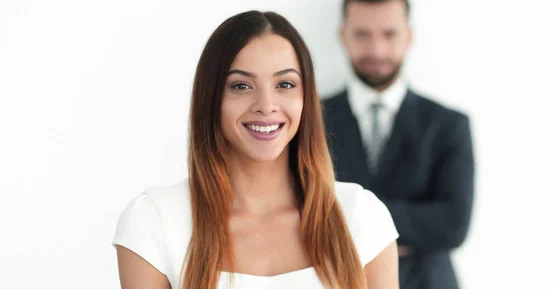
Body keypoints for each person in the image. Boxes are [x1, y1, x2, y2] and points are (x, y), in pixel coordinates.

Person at [112, 10, 399, 289]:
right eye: (241, 85)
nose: (266, 104)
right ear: (211, 98)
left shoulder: (362, 216)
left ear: (305, 98)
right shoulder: (154, 220)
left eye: (285, 84)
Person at [321, 1, 475, 289]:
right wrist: (414, 229)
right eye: (362, 35)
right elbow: (298, 212)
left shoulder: (449, 124)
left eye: (389, 34)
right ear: (343, 36)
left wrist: (348, 218)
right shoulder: (310, 120)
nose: (376, 50)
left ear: (409, 36)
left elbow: (453, 224)